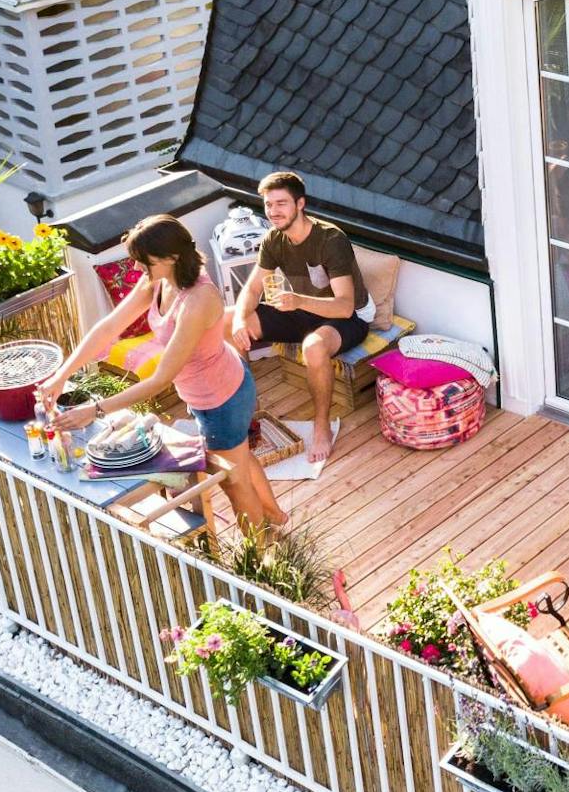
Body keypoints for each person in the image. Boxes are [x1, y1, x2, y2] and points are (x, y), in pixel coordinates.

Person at [39, 215, 285, 530]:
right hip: (211, 391)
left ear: (171, 257)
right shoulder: (158, 281)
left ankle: (262, 549)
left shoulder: (198, 300)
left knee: (233, 483)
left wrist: (95, 410)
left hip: (222, 400)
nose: (137, 267)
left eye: (145, 261)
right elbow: (109, 327)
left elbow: (160, 379)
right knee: (240, 457)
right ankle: (275, 516)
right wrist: (61, 375)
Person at [229, 171, 372, 464]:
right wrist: (240, 320)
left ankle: (321, 426)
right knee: (226, 321)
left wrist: (297, 301)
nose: (273, 211)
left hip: (348, 317)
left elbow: (345, 306)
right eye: (269, 204)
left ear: (300, 204)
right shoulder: (273, 238)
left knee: (313, 347)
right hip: (303, 309)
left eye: (281, 203)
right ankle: (250, 412)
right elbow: (253, 289)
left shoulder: (330, 239)